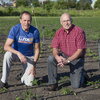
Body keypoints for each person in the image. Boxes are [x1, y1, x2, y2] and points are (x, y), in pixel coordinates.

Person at [47, 13, 87, 91]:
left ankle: (83, 75)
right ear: (61, 23)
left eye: (68, 20)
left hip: (77, 58)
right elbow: (54, 47)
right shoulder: (59, 32)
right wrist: (57, 57)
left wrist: (68, 60)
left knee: (76, 86)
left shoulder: (79, 31)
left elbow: (80, 51)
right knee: (51, 59)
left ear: (71, 21)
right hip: (64, 55)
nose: (66, 23)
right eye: (64, 21)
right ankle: (53, 83)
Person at [0, 11, 40, 88]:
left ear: (31, 21)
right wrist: (19, 53)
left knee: (30, 83)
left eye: (28, 20)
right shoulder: (15, 29)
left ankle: (23, 76)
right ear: (20, 20)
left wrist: (34, 65)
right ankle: (3, 81)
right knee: (7, 55)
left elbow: (37, 49)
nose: (26, 23)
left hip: (29, 57)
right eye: (24, 20)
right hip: (17, 55)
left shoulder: (35, 31)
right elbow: (6, 46)